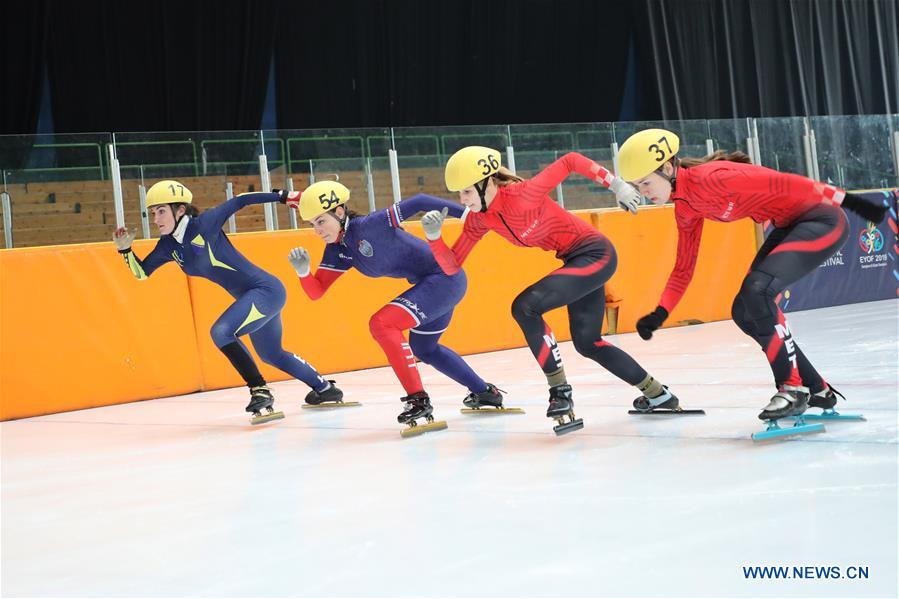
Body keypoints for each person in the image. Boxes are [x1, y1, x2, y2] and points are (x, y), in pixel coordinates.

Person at [617, 128, 888, 421]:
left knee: (757, 290)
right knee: (743, 310)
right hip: (788, 225)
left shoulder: (714, 177)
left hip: (822, 218)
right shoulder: (685, 206)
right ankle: (818, 390)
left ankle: (792, 389)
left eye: (645, 183)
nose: (643, 193)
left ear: (667, 167)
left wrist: (852, 202)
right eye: (637, 186)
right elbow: (684, 267)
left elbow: (789, 182)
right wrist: (660, 312)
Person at [422, 146, 681, 434]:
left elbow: (570, 161)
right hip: (575, 260)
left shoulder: (525, 194)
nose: (463, 200)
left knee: (525, 306)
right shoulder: (480, 219)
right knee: (588, 343)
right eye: (459, 194)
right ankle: (659, 394)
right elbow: (452, 264)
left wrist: (616, 184)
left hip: (597, 254)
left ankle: (560, 392)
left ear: (488, 183)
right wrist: (434, 238)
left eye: (467, 192)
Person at [112, 179, 342, 424]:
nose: (156, 219)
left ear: (180, 210)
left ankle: (259, 390)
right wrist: (125, 251)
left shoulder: (205, 224)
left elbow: (240, 200)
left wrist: (286, 196)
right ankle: (326, 388)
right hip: (252, 298)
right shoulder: (167, 246)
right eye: (153, 213)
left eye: (161, 211)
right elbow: (142, 273)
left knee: (222, 331)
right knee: (272, 354)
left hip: (265, 291)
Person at [285, 180, 505, 432]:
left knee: (382, 323)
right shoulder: (337, 251)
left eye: (321, 221)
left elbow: (421, 200)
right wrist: (303, 273)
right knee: (425, 349)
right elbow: (316, 292)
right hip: (432, 284)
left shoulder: (370, 225)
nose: (317, 230)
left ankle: (418, 399)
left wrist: (473, 215)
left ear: (339, 212)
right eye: (312, 224)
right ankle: (485, 392)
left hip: (444, 277)